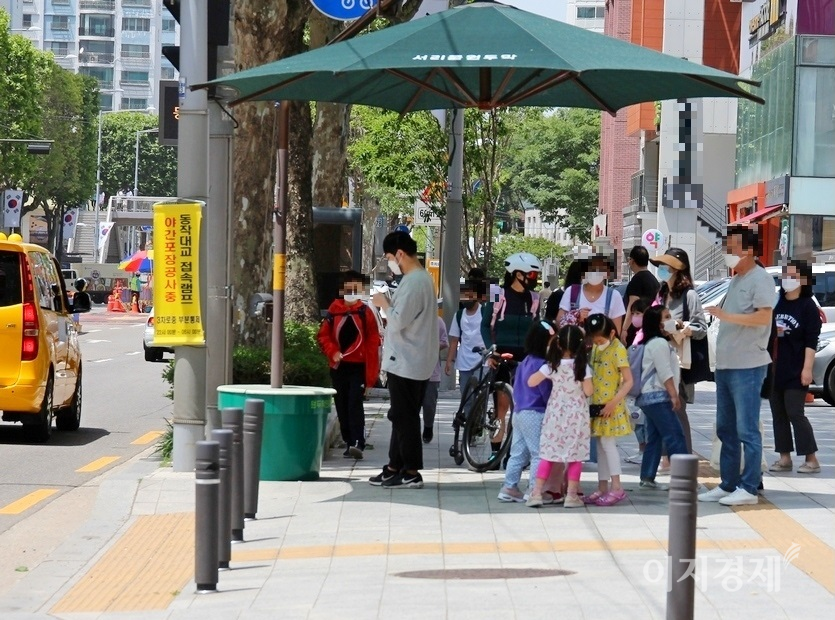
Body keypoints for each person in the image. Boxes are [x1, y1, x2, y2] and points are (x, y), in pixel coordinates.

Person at [700, 225, 774, 506]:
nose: (727, 253)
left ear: (750, 251)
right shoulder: (736, 279)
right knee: (725, 427)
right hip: (727, 365)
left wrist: (726, 316)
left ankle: (749, 487)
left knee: (747, 429)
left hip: (749, 365)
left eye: (732, 248)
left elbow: (763, 318)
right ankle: (728, 484)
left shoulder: (760, 279)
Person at [369, 231, 438, 489]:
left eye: (388, 257)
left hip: (407, 360)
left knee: (404, 416)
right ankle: (393, 467)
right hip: (413, 359)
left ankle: (410, 470)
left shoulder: (414, 282)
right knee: (401, 414)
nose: (389, 262)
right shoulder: (420, 279)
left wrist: (383, 303)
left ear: (399, 254)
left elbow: (398, 321)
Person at [526, 324, 593, 509]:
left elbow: (531, 382)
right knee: (574, 456)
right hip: (577, 416)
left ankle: (536, 493)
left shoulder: (551, 366)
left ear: (558, 344)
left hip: (555, 415)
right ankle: (571, 495)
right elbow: (588, 391)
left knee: (548, 454)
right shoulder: (582, 367)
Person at [649, 247, 707, 458]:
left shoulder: (689, 295)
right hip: (659, 358)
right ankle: (665, 458)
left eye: (666, 267)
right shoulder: (661, 292)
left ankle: (683, 458)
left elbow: (701, 328)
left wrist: (682, 326)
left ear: (677, 269)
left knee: (677, 409)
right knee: (660, 410)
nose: (662, 270)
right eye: (661, 266)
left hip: (680, 363)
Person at [317, 270, 381, 460]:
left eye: (356, 288)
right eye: (349, 287)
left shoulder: (365, 312)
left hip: (358, 367)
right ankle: (348, 440)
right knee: (342, 404)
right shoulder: (333, 310)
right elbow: (323, 335)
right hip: (339, 367)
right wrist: (333, 352)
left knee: (354, 403)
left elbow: (372, 343)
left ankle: (357, 442)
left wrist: (371, 376)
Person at [767, 259, 822, 474]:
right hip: (774, 368)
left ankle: (811, 458)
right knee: (778, 413)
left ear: (804, 279)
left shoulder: (808, 306)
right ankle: (784, 457)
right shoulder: (777, 302)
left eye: (793, 275)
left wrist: (807, 369)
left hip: (796, 369)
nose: (787, 279)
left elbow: (811, 340)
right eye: (785, 274)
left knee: (795, 412)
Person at [487, 252, 542, 456]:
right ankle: (495, 450)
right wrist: (491, 351)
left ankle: (513, 452)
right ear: (518, 274)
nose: (534, 279)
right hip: (501, 355)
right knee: (501, 405)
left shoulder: (535, 298)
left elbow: (537, 328)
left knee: (520, 408)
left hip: (526, 359)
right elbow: (486, 325)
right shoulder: (496, 293)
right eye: (532, 275)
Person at [497, 320, 556, 503]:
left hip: (519, 412)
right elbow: (545, 392)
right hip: (536, 413)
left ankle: (509, 487)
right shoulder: (543, 366)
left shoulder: (525, 362)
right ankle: (535, 490)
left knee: (518, 453)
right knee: (538, 453)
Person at [636, 305, 688, 489]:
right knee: (675, 435)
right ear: (658, 324)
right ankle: (685, 480)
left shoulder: (652, 343)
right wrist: (674, 395)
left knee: (655, 437)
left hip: (649, 398)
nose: (670, 320)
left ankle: (647, 476)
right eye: (666, 317)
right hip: (658, 397)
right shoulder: (658, 344)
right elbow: (665, 371)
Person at [584, 314, 633, 505]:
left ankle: (617, 487)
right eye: (594, 339)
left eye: (600, 339)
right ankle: (602, 486)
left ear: (612, 333)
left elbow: (629, 381)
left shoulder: (618, 349)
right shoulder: (596, 347)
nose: (597, 342)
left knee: (608, 445)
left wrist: (613, 403)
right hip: (597, 405)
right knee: (601, 446)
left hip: (611, 406)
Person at [445, 278, 490, 401]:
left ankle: (479, 419)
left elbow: (492, 334)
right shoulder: (459, 315)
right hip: (464, 363)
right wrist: (449, 361)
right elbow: (454, 340)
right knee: (466, 398)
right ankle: (468, 418)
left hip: (482, 362)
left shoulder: (485, 312)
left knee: (479, 396)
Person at [556, 254, 626, 333]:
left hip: (602, 345)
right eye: (592, 269)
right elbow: (559, 323)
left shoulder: (614, 296)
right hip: (576, 344)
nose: (595, 272)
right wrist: (576, 316)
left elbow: (616, 332)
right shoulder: (572, 291)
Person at [624, 298, 649, 464]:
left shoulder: (648, 336)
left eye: (638, 313)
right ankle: (641, 450)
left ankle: (646, 451)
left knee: (644, 422)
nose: (634, 317)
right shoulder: (637, 335)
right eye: (633, 313)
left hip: (644, 386)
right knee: (637, 421)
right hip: (635, 386)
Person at [422, 302, 449, 444]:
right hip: (412, 370)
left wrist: (433, 345)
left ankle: (428, 426)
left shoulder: (438, 322)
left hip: (432, 371)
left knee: (429, 404)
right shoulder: (413, 320)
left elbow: (445, 342)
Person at [621, 246, 660, 339]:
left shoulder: (636, 280)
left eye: (629, 260)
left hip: (635, 330)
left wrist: (624, 329)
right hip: (650, 327)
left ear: (632, 261)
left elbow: (632, 304)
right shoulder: (653, 279)